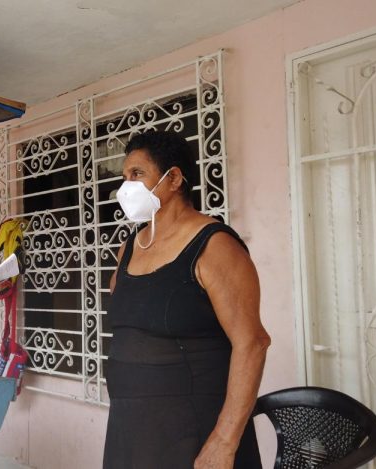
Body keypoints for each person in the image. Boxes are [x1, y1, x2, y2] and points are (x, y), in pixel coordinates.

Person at [103, 131, 270, 469]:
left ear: (174, 178)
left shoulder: (214, 246)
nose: (127, 187)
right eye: (124, 178)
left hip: (193, 430)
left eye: (137, 174)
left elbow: (252, 343)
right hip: (131, 428)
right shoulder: (130, 247)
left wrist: (224, 442)